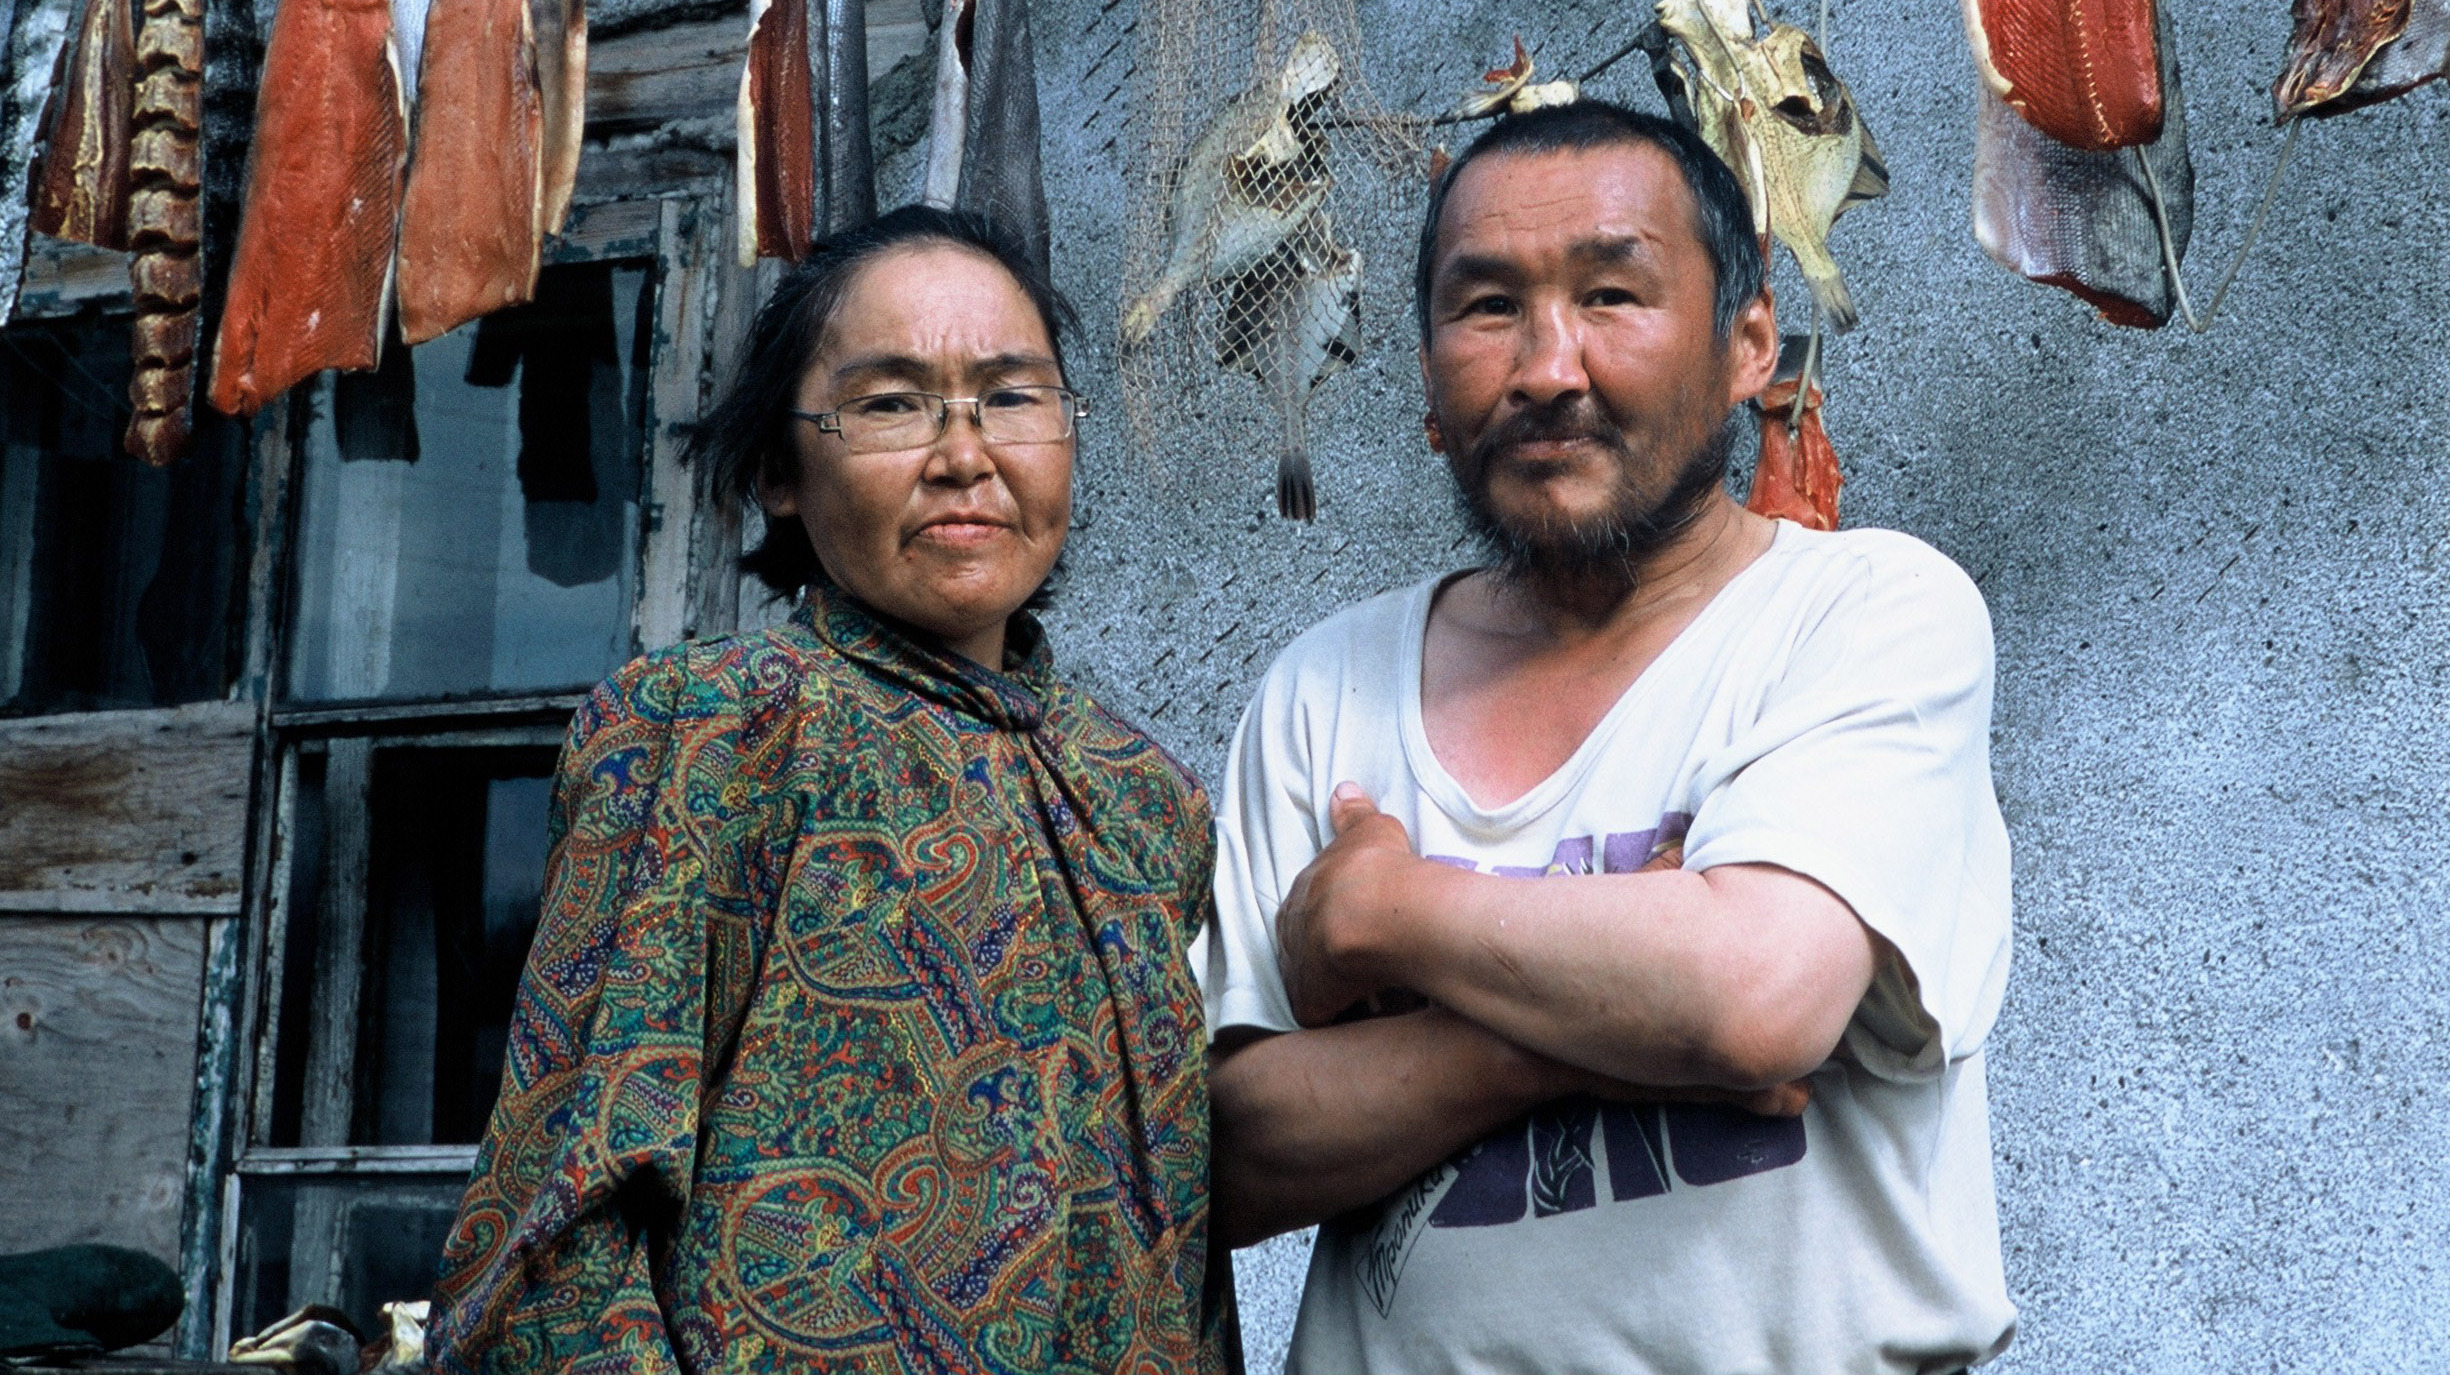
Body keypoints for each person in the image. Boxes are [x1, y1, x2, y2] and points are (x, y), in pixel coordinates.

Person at [1203, 102, 2017, 1374]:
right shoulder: (1326, 690)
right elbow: (1228, 1156)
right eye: (1487, 308)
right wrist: (1615, 1027)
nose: (1545, 368)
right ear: (1426, 380)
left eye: (1610, 295)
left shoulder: (1864, 615)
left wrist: (1382, 915)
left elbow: (1754, 998)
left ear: (1748, 344)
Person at [431, 206, 1232, 1375]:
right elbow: (565, 1224)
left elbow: (1180, 1255)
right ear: (778, 470)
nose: (965, 456)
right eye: (892, 404)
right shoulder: (709, 731)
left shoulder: (1143, 799)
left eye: (1012, 397)